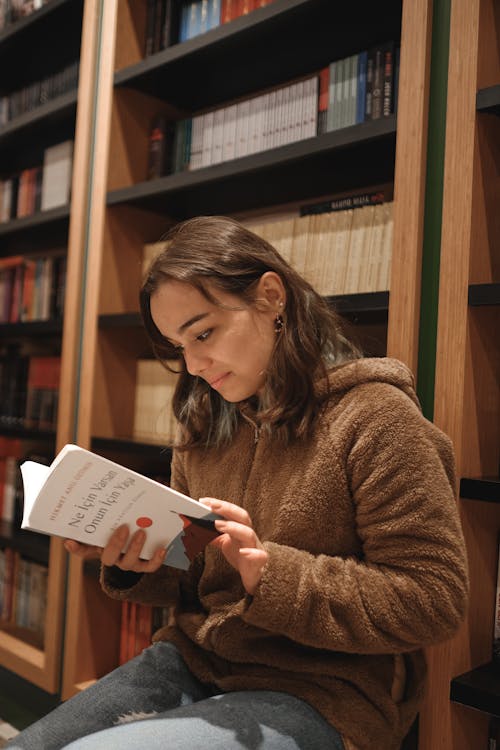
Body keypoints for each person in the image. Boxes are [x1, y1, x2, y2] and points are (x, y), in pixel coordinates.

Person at [8, 215, 468, 750]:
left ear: (271, 297)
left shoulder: (376, 418)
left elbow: (434, 601)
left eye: (203, 333)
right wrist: (134, 559)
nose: (195, 364)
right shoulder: (208, 423)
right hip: (195, 660)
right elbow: (197, 581)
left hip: (325, 691)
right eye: (179, 347)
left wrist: (271, 574)